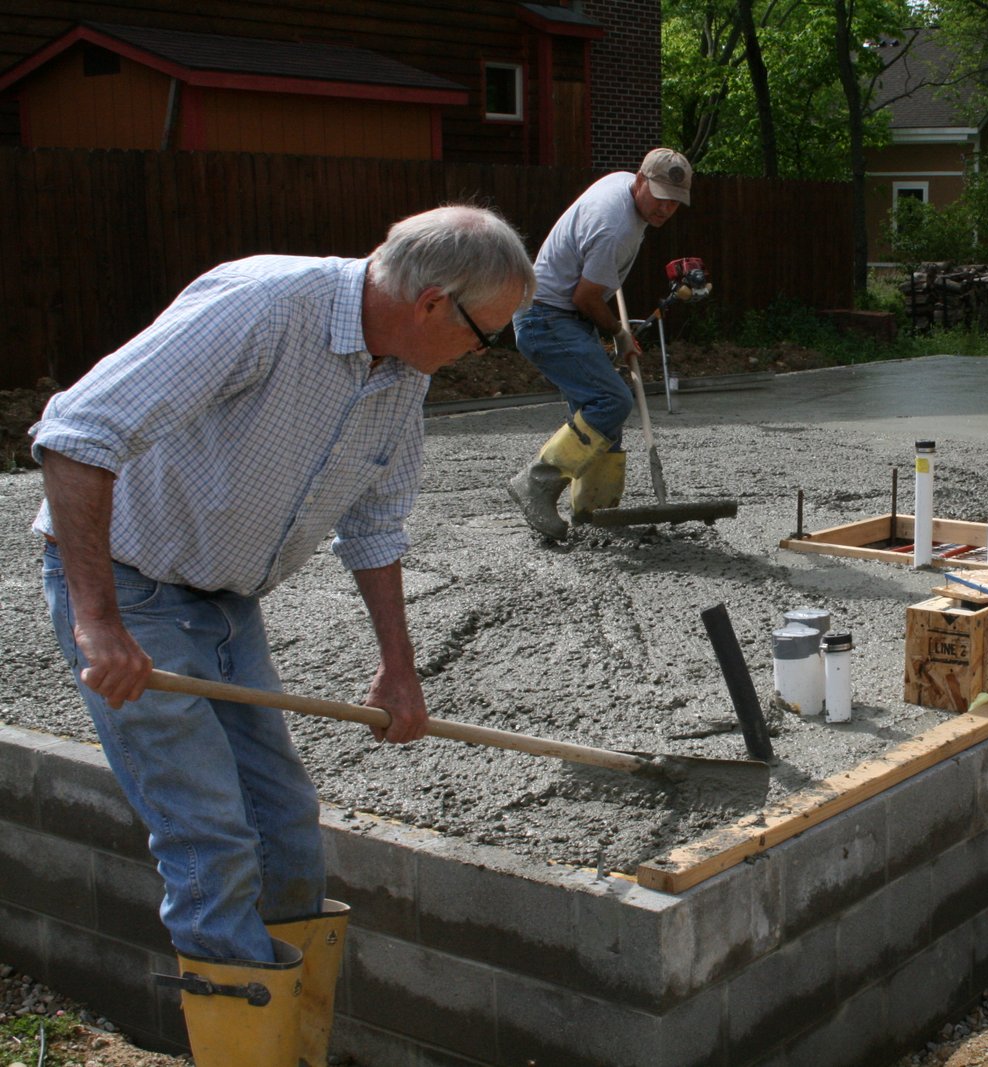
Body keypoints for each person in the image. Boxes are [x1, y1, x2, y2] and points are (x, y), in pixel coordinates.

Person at [30, 205, 535, 1067]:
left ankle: (286, 1052)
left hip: (226, 606)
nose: (482, 355)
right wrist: (99, 620)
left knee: (285, 826)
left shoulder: (401, 377)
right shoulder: (265, 307)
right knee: (213, 841)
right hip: (133, 593)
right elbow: (78, 433)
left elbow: (374, 523)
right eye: (486, 336)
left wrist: (398, 670)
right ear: (434, 305)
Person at [507, 146, 693, 538]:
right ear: (641, 182)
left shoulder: (623, 186)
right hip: (548, 317)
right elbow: (586, 298)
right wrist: (619, 333)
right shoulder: (616, 228)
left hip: (560, 315)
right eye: (660, 198)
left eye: (674, 204)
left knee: (601, 419)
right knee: (612, 402)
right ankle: (535, 483)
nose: (665, 210)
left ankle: (596, 516)